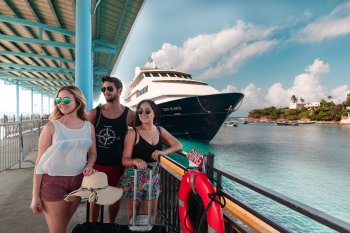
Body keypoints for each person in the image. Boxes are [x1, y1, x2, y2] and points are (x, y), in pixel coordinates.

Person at [30, 86, 97, 233]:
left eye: (66, 99)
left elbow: (92, 153)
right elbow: (39, 163)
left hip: (78, 182)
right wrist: (35, 196)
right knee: (58, 230)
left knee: (63, 226)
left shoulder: (88, 127)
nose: (62, 103)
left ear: (78, 102)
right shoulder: (51, 127)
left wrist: (89, 165)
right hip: (53, 182)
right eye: (58, 100)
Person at [120, 99, 182, 222]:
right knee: (133, 218)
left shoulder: (160, 131)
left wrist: (162, 152)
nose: (143, 114)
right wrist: (135, 160)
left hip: (153, 178)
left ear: (154, 113)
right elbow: (125, 160)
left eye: (147, 111)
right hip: (134, 179)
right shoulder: (133, 133)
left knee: (150, 216)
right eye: (140, 111)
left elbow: (178, 145)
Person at [87, 76, 135, 223]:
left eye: (109, 88)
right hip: (97, 164)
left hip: (117, 165)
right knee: (94, 199)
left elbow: (141, 132)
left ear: (119, 90)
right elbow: (82, 135)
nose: (105, 92)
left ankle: (110, 225)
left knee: (115, 198)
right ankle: (93, 226)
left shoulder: (129, 114)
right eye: (103, 89)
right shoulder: (95, 113)